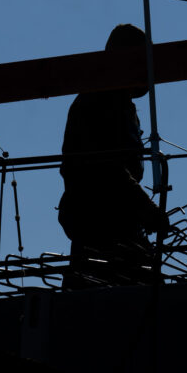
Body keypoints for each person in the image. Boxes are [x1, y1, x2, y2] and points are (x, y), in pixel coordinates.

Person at [57, 24, 169, 288]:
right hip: (100, 223)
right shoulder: (100, 103)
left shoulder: (116, 104)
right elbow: (107, 169)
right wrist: (147, 209)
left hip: (109, 222)